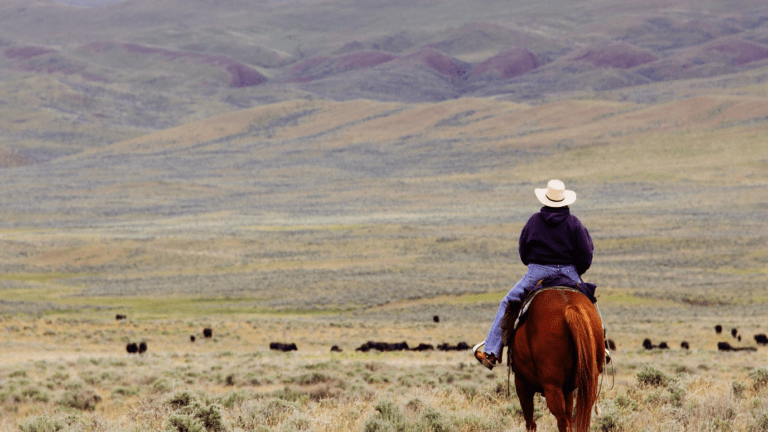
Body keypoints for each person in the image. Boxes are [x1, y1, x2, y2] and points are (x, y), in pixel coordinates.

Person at [474, 179, 594, 370]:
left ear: (545, 199)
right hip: (569, 272)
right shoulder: (574, 223)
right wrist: (576, 272)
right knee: (590, 303)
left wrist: (536, 266)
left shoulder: (534, 221)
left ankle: (491, 352)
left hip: (538, 271)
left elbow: (523, 251)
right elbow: (586, 254)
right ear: (565, 201)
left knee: (508, 301)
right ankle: (600, 350)